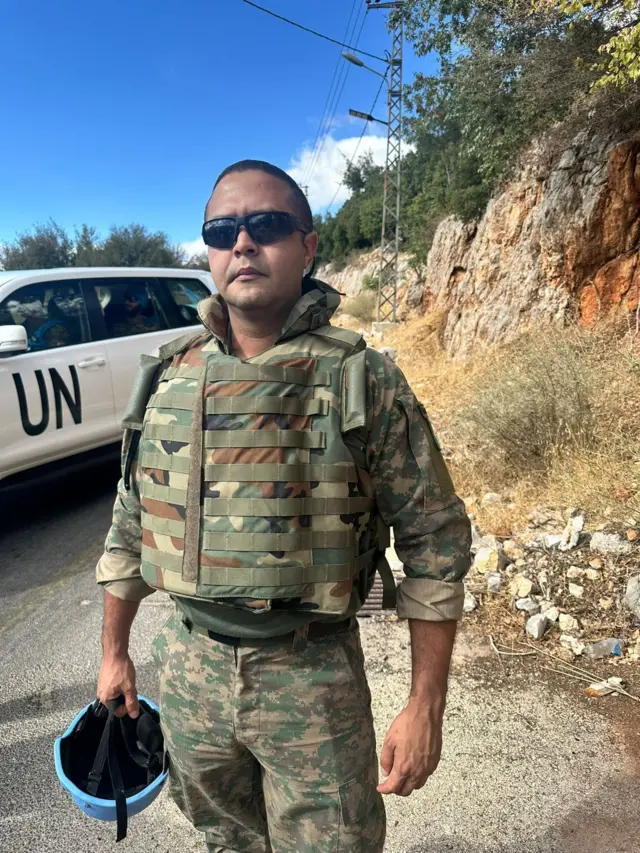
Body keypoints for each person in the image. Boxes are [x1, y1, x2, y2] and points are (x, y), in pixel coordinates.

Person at [95, 160, 472, 853]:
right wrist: (114, 651)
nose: (242, 242)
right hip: (189, 669)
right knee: (227, 841)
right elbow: (130, 520)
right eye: (222, 229)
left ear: (307, 244)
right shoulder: (168, 374)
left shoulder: (365, 379)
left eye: (265, 224)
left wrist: (426, 705)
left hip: (312, 676)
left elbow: (436, 543)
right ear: (208, 251)